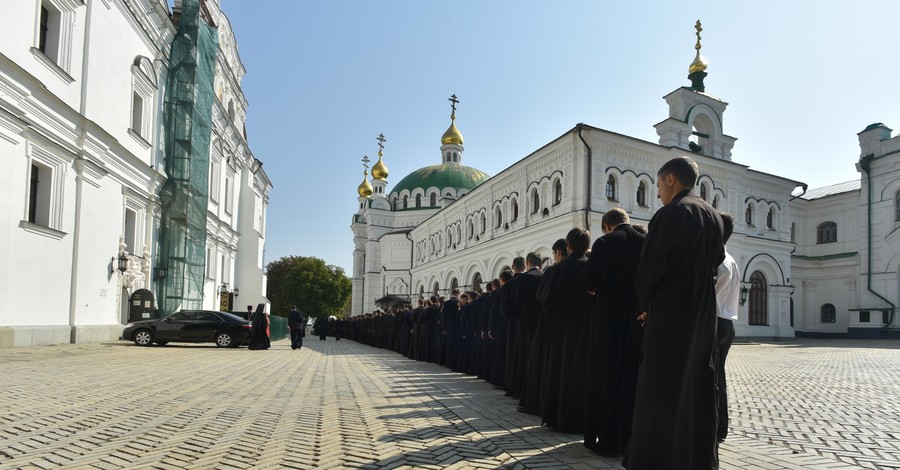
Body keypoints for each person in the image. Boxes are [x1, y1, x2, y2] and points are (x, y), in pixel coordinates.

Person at [625, 156, 724, 469]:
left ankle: (658, 458)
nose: (657, 194)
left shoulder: (671, 213)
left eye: (658, 185)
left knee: (662, 382)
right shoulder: (714, 216)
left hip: (671, 307)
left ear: (670, 179)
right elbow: (718, 261)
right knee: (697, 380)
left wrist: (645, 306)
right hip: (704, 309)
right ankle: (696, 457)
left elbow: (650, 267)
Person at [582, 208, 645, 456]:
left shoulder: (605, 242)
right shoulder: (645, 241)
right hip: (638, 321)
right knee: (631, 379)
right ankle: (630, 438)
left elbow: (589, 280)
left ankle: (607, 440)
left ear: (607, 226)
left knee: (607, 379)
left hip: (608, 322)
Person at [538, 228, 592, 433]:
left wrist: (557, 314)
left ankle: (559, 417)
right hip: (588, 326)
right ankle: (582, 419)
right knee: (583, 371)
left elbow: (546, 299)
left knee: (562, 369)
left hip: (564, 325)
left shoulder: (558, 269)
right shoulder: (591, 265)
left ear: (568, 247)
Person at [519, 240, 566, 416]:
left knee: (542, 363)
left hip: (545, 324)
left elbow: (543, 297)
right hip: (577, 326)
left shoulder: (552, 271)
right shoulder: (585, 265)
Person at [715, 212, 740, 443]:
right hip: (727, 323)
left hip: (714, 322)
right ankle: (721, 427)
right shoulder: (730, 259)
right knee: (718, 377)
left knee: (711, 378)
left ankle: (715, 427)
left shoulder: (717, 259)